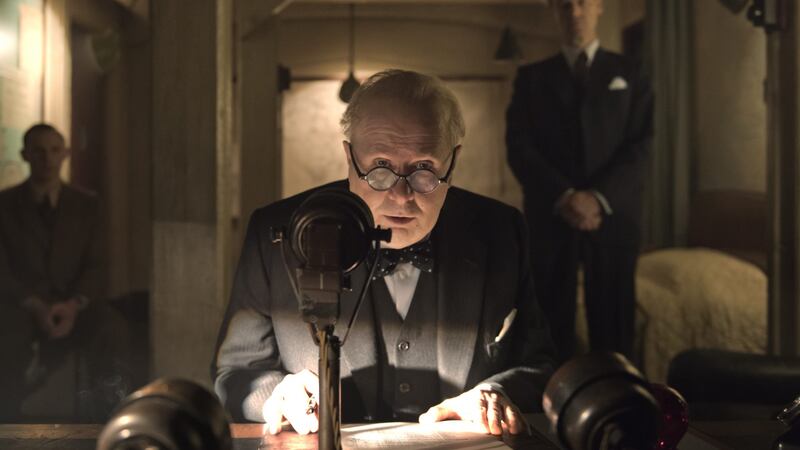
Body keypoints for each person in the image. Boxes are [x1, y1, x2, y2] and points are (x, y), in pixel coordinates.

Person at [213, 69, 556, 435]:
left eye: (424, 169)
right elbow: (234, 374)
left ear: (453, 161)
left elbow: (540, 365)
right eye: (380, 168)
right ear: (349, 156)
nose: (401, 195)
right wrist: (276, 395)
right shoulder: (276, 231)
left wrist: (495, 392)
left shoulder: (502, 231)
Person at [505, 0, 654, 362]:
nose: (574, 13)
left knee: (614, 321)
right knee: (549, 318)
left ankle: (618, 399)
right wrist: (566, 196)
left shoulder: (631, 72)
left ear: (599, 7)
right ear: (554, 11)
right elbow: (519, 147)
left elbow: (643, 144)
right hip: (551, 216)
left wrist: (598, 198)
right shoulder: (532, 77)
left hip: (614, 216)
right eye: (564, 5)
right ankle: (548, 400)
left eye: (582, 3)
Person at [0, 123, 129, 421]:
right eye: (38, 151)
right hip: (22, 306)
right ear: (24, 154)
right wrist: (32, 304)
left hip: (75, 304)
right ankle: (9, 422)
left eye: (55, 150)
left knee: (113, 329)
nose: (47, 159)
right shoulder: (4, 205)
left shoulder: (87, 205)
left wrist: (73, 305)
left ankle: (105, 419)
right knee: (6, 336)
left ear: (65, 154)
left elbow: (99, 264)